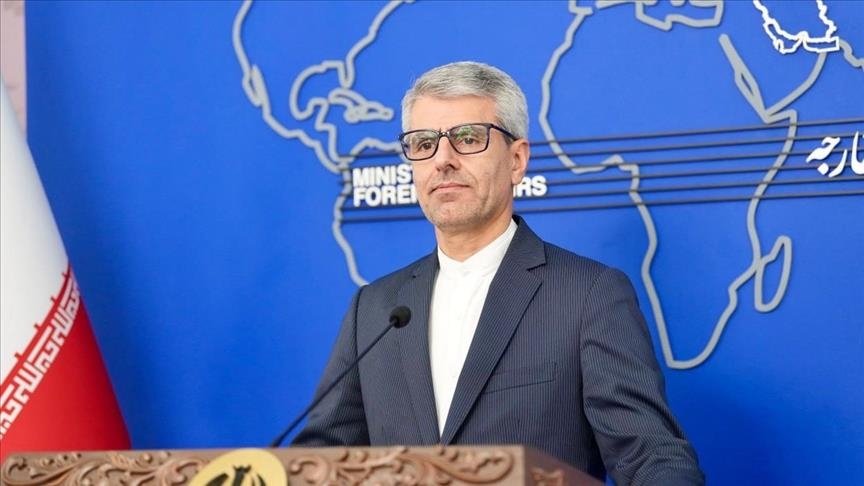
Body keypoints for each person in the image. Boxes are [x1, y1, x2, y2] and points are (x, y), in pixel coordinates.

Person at [293, 61, 704, 485]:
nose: (443, 160)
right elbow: (320, 461)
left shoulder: (587, 295)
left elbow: (650, 455)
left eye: (468, 138)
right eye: (424, 143)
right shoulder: (375, 308)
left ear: (517, 160)